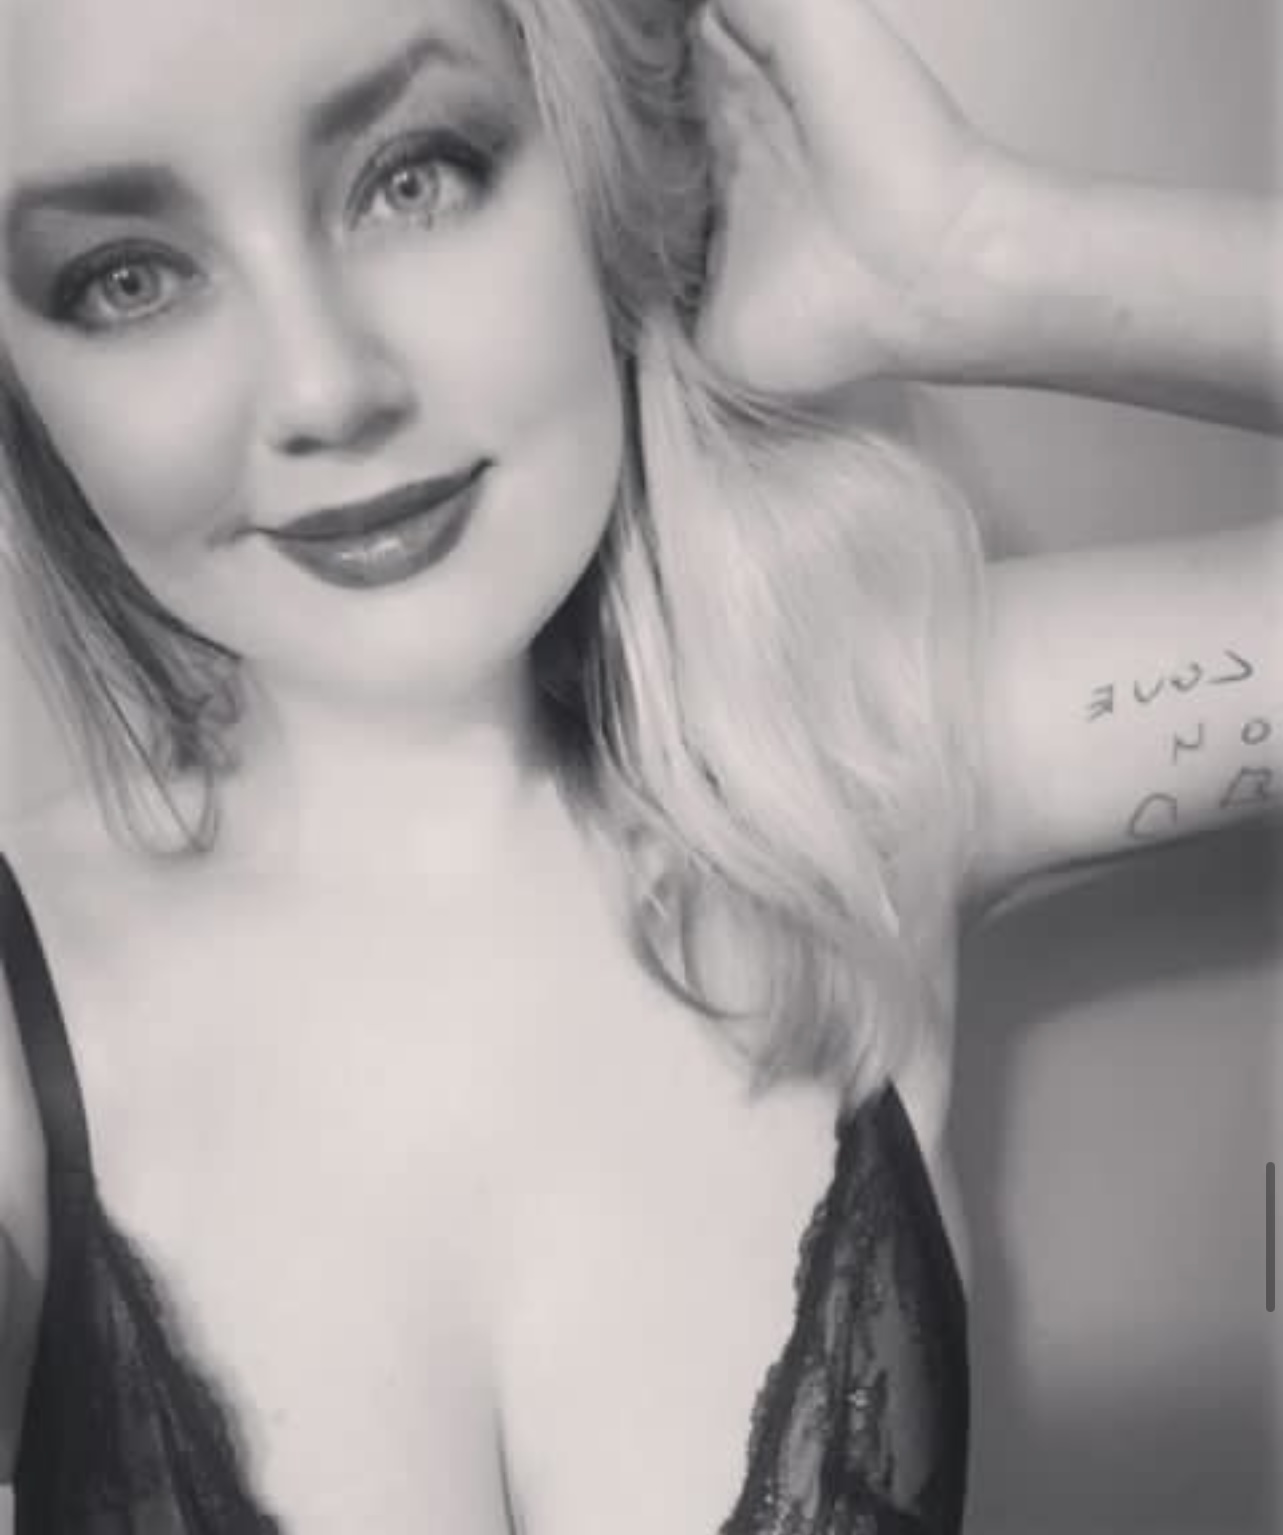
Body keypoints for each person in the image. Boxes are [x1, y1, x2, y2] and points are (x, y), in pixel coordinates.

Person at [0, 0, 1276, 1530]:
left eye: (413, 175)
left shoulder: (854, 772)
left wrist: (975, 252)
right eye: (126, 278)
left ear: (592, 163)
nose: (326, 389)